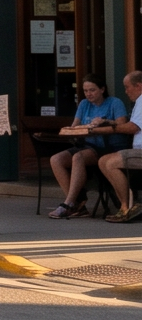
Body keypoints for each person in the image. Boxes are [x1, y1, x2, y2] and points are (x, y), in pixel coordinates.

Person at [47, 75, 129, 219]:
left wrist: (105, 122)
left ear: (102, 89)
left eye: (92, 90)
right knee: (56, 159)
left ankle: (69, 203)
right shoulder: (84, 104)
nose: (88, 94)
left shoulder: (114, 103)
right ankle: (79, 203)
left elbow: (122, 124)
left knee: (78, 157)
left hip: (108, 146)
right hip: (88, 144)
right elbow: (75, 125)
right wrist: (71, 130)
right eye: (85, 91)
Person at [91, 69, 142, 222]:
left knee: (110, 162)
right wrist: (111, 123)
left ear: (138, 86)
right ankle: (126, 206)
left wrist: (105, 129)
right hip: (137, 151)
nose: (126, 91)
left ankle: (127, 208)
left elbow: (133, 127)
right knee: (103, 160)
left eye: (127, 87)